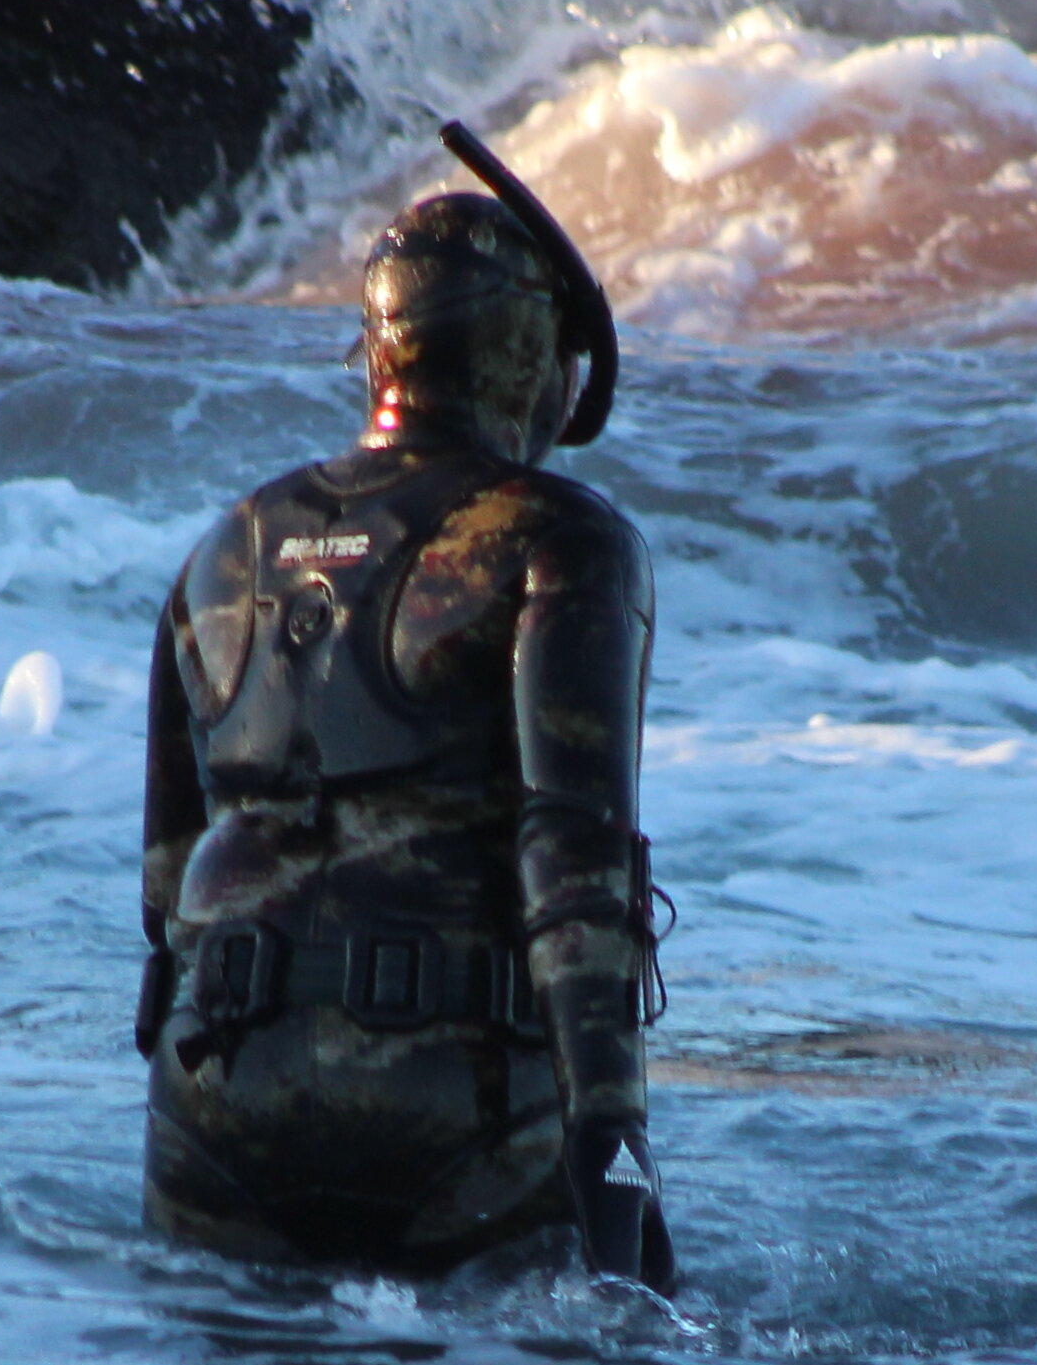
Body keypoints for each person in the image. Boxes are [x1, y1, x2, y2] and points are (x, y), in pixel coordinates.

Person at [137, 124, 675, 1289]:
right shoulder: (561, 537)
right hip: (452, 1106)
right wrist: (614, 1152)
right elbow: (573, 862)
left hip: (216, 1104)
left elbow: (164, 899)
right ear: (527, 353)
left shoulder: (223, 549)